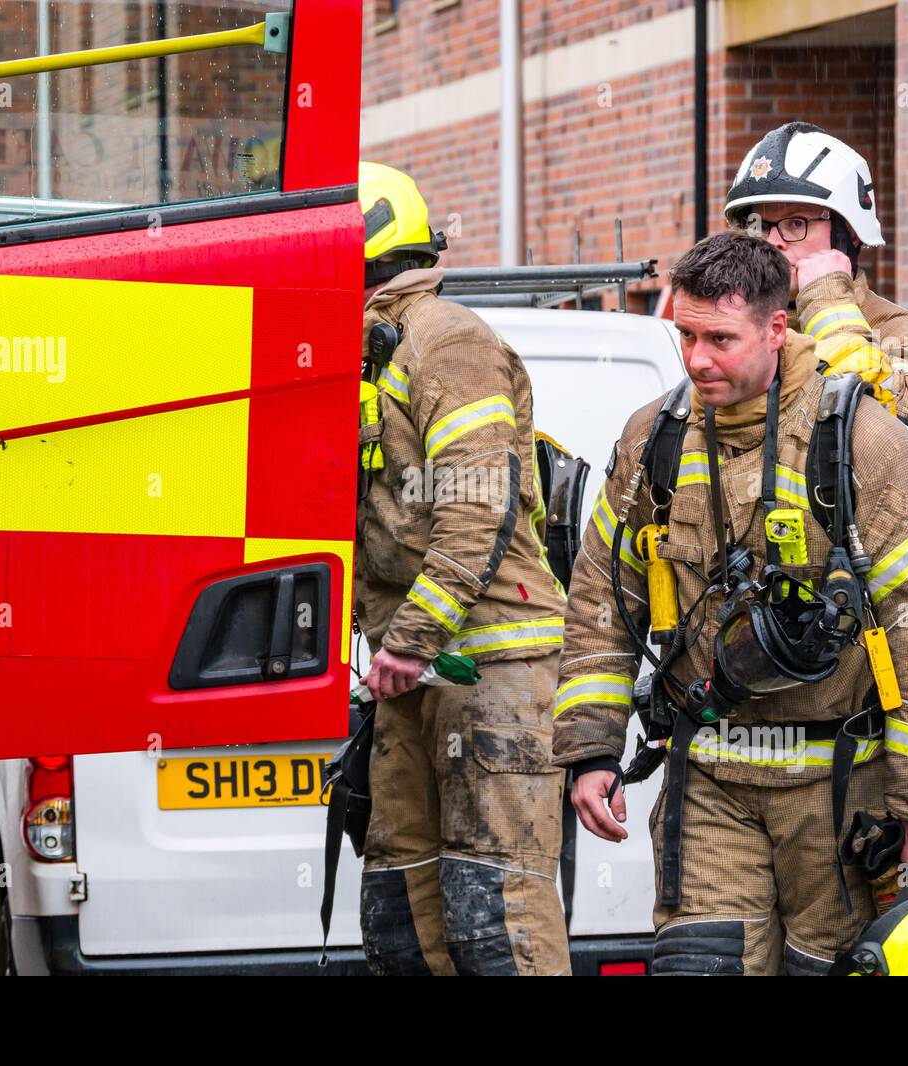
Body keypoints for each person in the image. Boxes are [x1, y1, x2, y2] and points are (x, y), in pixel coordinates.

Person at [553, 231, 908, 975]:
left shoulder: (862, 443)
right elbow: (601, 594)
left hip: (841, 796)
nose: (696, 360)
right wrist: (591, 748)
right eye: (683, 335)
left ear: (778, 329)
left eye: (720, 338)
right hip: (709, 779)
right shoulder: (654, 438)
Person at [353, 161, 571, 975]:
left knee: (497, 909)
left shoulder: (447, 340)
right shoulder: (373, 351)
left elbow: (476, 505)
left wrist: (408, 641)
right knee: (404, 907)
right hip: (418, 667)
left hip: (490, 660)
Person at [724, 122, 908, 477]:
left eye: (794, 223)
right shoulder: (720, 330)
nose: (772, 242)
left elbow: (900, 423)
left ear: (847, 232)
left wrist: (825, 302)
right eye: (758, 224)